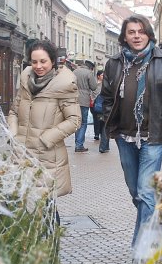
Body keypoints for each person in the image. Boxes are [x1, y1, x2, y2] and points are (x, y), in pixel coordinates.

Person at [101, 15, 162, 249]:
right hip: (125, 136)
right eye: (131, 32)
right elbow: (107, 98)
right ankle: (158, 224)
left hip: (154, 136)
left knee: (145, 191)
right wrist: (111, 123)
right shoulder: (114, 64)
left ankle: (142, 247)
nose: (136, 36)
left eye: (141, 31)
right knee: (136, 192)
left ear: (148, 34)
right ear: (125, 36)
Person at [8, 39, 80, 201]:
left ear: (52, 61)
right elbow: (13, 111)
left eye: (43, 61)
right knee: (22, 205)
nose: (38, 66)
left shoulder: (64, 84)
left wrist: (46, 139)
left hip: (47, 156)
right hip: (22, 153)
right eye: (34, 62)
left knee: (46, 208)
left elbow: (74, 120)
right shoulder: (26, 82)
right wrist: (14, 135)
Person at [73, 60, 97, 152]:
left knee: (77, 122)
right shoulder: (89, 73)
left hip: (74, 99)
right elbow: (94, 87)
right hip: (84, 100)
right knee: (83, 122)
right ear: (90, 67)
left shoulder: (75, 71)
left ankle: (77, 142)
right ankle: (79, 145)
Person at [92, 70, 110, 153]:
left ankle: (105, 146)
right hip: (106, 109)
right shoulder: (109, 85)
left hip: (99, 108)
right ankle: (103, 146)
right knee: (105, 126)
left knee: (102, 124)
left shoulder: (100, 85)